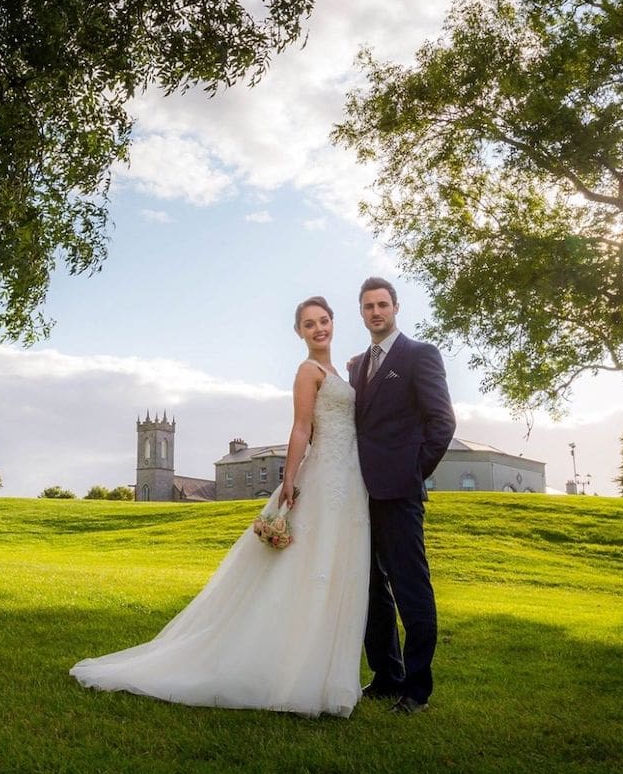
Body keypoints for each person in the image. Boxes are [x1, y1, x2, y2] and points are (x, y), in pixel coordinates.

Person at [70, 297, 370, 717]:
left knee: (333, 569)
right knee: (307, 568)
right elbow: (301, 426)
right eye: (308, 324)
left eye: (323, 321)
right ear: (298, 332)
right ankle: (290, 674)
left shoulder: (342, 371)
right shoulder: (308, 372)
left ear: (333, 323)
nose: (318, 329)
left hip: (349, 480)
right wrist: (288, 479)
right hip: (322, 477)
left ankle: (321, 674)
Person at [348, 277, 455, 715]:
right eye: (369, 306)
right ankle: (387, 675)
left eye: (383, 305)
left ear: (395, 308)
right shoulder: (357, 365)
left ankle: (417, 690)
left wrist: (413, 472)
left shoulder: (420, 355)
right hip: (360, 495)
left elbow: (441, 422)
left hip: (400, 494)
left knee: (411, 589)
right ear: (361, 312)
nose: (376, 312)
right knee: (371, 589)